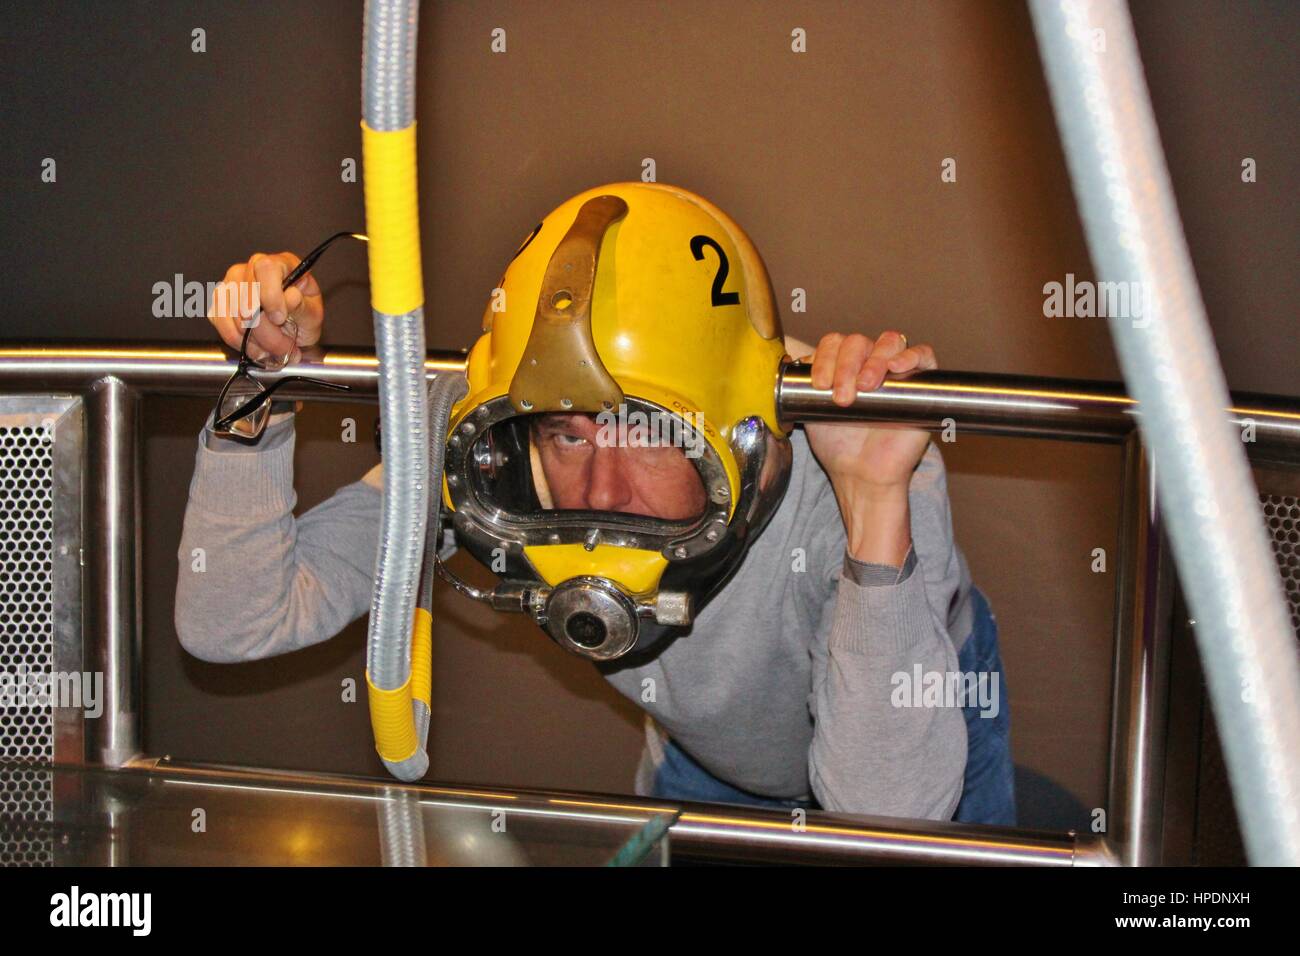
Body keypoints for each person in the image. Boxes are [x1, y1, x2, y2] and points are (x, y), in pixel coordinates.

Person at [176, 181, 1015, 825]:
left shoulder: (865, 460)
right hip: (704, 754)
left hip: (912, 736)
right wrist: (263, 384)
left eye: (646, 435)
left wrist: (874, 504)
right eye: (568, 437)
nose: (601, 494)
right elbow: (234, 620)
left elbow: (886, 815)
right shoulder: (492, 453)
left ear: (743, 437)